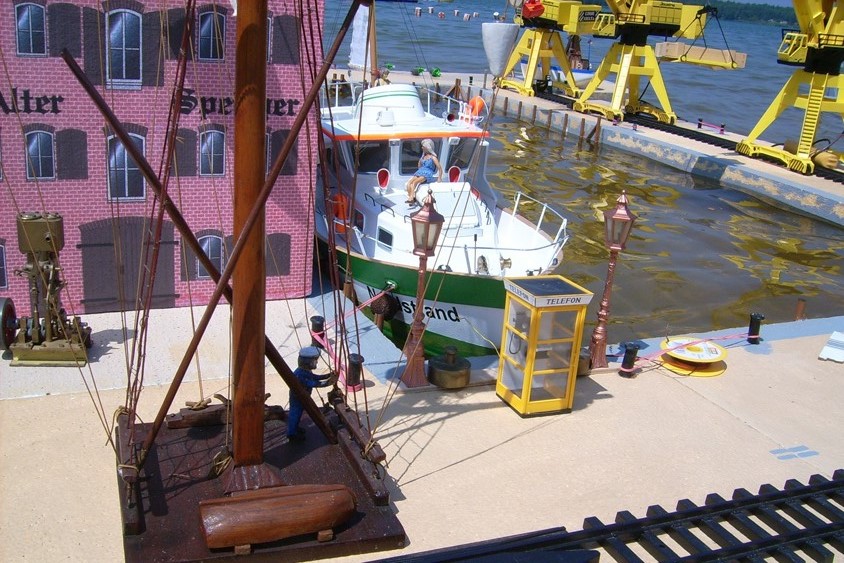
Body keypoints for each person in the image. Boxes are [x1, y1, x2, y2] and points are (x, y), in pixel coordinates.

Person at [287, 346, 334, 442]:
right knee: (295, 414)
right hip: (298, 399)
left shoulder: (304, 371)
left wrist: (327, 376)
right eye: (315, 361)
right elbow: (312, 383)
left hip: (302, 397)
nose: (316, 363)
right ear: (308, 362)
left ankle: (295, 428)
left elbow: (314, 377)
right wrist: (328, 383)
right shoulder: (300, 375)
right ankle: (291, 433)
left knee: (297, 415)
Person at [405, 139, 442, 205]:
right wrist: (420, 163)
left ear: (428, 148)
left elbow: (440, 168)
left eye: (423, 147)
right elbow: (419, 166)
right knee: (409, 183)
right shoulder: (423, 157)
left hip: (427, 173)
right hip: (420, 171)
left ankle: (411, 198)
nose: (422, 148)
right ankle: (411, 197)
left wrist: (439, 177)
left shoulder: (433, 158)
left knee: (414, 182)